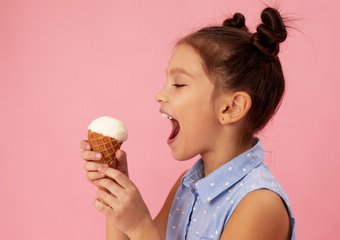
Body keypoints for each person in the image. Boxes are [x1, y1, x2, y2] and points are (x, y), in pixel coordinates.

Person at [79, 7, 296, 240]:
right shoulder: (189, 186)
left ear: (230, 108)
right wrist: (113, 188)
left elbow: (143, 234)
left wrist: (140, 227)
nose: (159, 95)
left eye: (179, 84)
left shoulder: (260, 204)